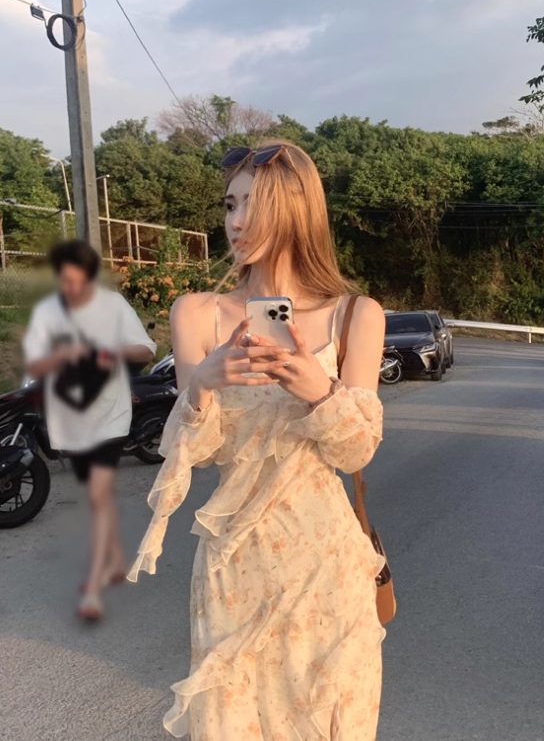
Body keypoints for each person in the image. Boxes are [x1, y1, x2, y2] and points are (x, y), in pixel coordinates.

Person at [129, 142, 386, 740]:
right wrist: (202, 384)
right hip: (234, 568)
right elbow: (193, 455)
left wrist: (318, 389)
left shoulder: (356, 315)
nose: (236, 221)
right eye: (230, 205)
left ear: (297, 211)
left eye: (253, 205)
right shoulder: (198, 313)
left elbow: (356, 453)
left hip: (327, 571)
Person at [22, 239, 156, 620]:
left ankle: (94, 585)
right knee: (97, 495)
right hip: (71, 417)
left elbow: (145, 350)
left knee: (97, 494)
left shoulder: (113, 305)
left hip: (110, 415)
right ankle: (115, 557)